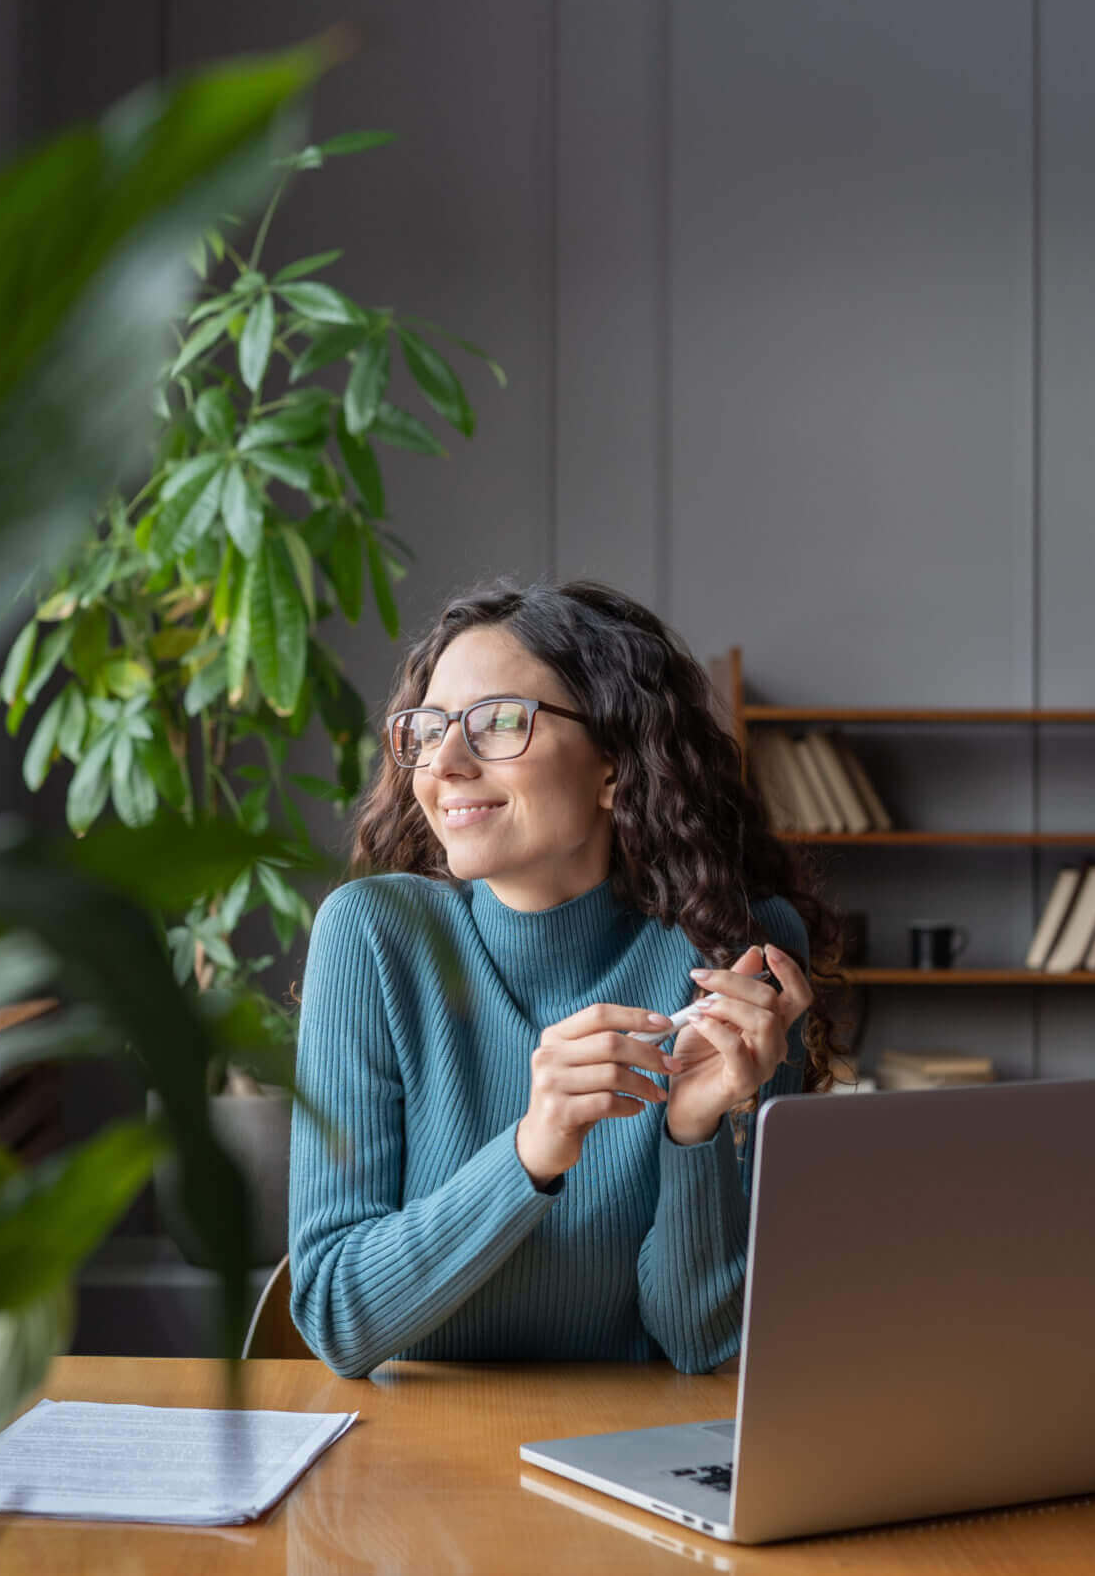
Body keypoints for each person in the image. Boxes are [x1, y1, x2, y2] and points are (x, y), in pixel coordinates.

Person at [286, 578, 846, 1377]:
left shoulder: (739, 953)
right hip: (411, 1456)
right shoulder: (372, 937)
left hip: (631, 1454)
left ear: (614, 765)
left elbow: (702, 1338)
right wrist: (531, 1149)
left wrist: (693, 1131)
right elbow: (338, 1315)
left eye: (499, 722)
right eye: (428, 728)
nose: (444, 762)